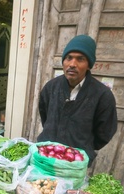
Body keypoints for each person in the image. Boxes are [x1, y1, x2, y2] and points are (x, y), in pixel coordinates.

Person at [37, 34, 118, 165]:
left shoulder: (102, 95)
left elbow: (104, 133)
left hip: (75, 163)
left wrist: (85, 147)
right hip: (45, 155)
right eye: (69, 58)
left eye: (80, 59)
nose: (72, 64)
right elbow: (45, 116)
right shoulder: (51, 87)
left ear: (89, 65)